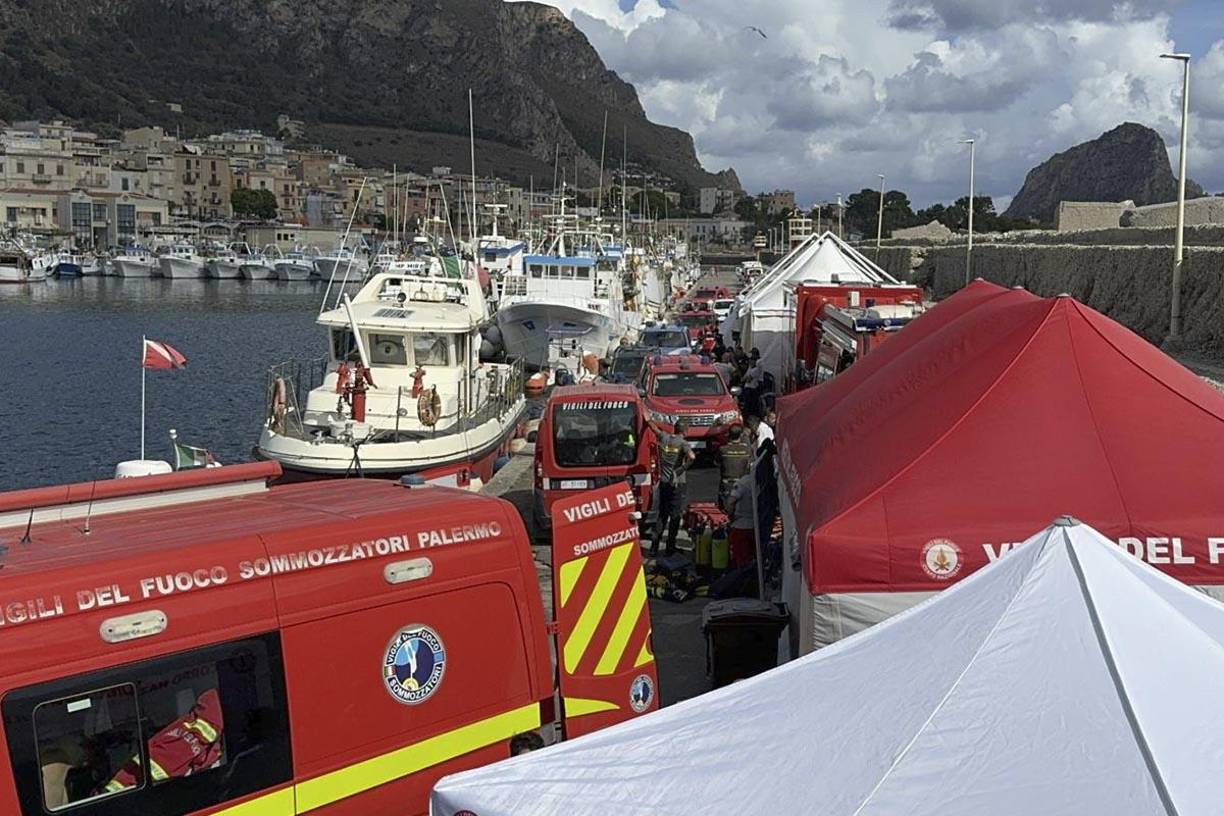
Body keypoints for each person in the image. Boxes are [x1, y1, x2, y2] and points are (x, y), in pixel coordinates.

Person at [650, 418, 696, 557]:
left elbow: (653, 428)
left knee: (662, 515)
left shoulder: (664, 437)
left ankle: (654, 547)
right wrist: (681, 469)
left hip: (664, 482)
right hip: (677, 484)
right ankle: (670, 547)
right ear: (686, 431)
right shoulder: (683, 443)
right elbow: (692, 457)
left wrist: (648, 418)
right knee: (675, 516)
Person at [726, 474, 756, 567]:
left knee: (741, 561)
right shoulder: (766, 480)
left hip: (741, 526)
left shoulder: (744, 482)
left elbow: (731, 502)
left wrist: (730, 515)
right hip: (757, 526)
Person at [717, 425, 752, 505]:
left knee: (725, 508)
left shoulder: (723, 449)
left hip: (726, 484)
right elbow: (750, 464)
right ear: (741, 435)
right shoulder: (747, 450)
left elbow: (716, 462)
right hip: (742, 483)